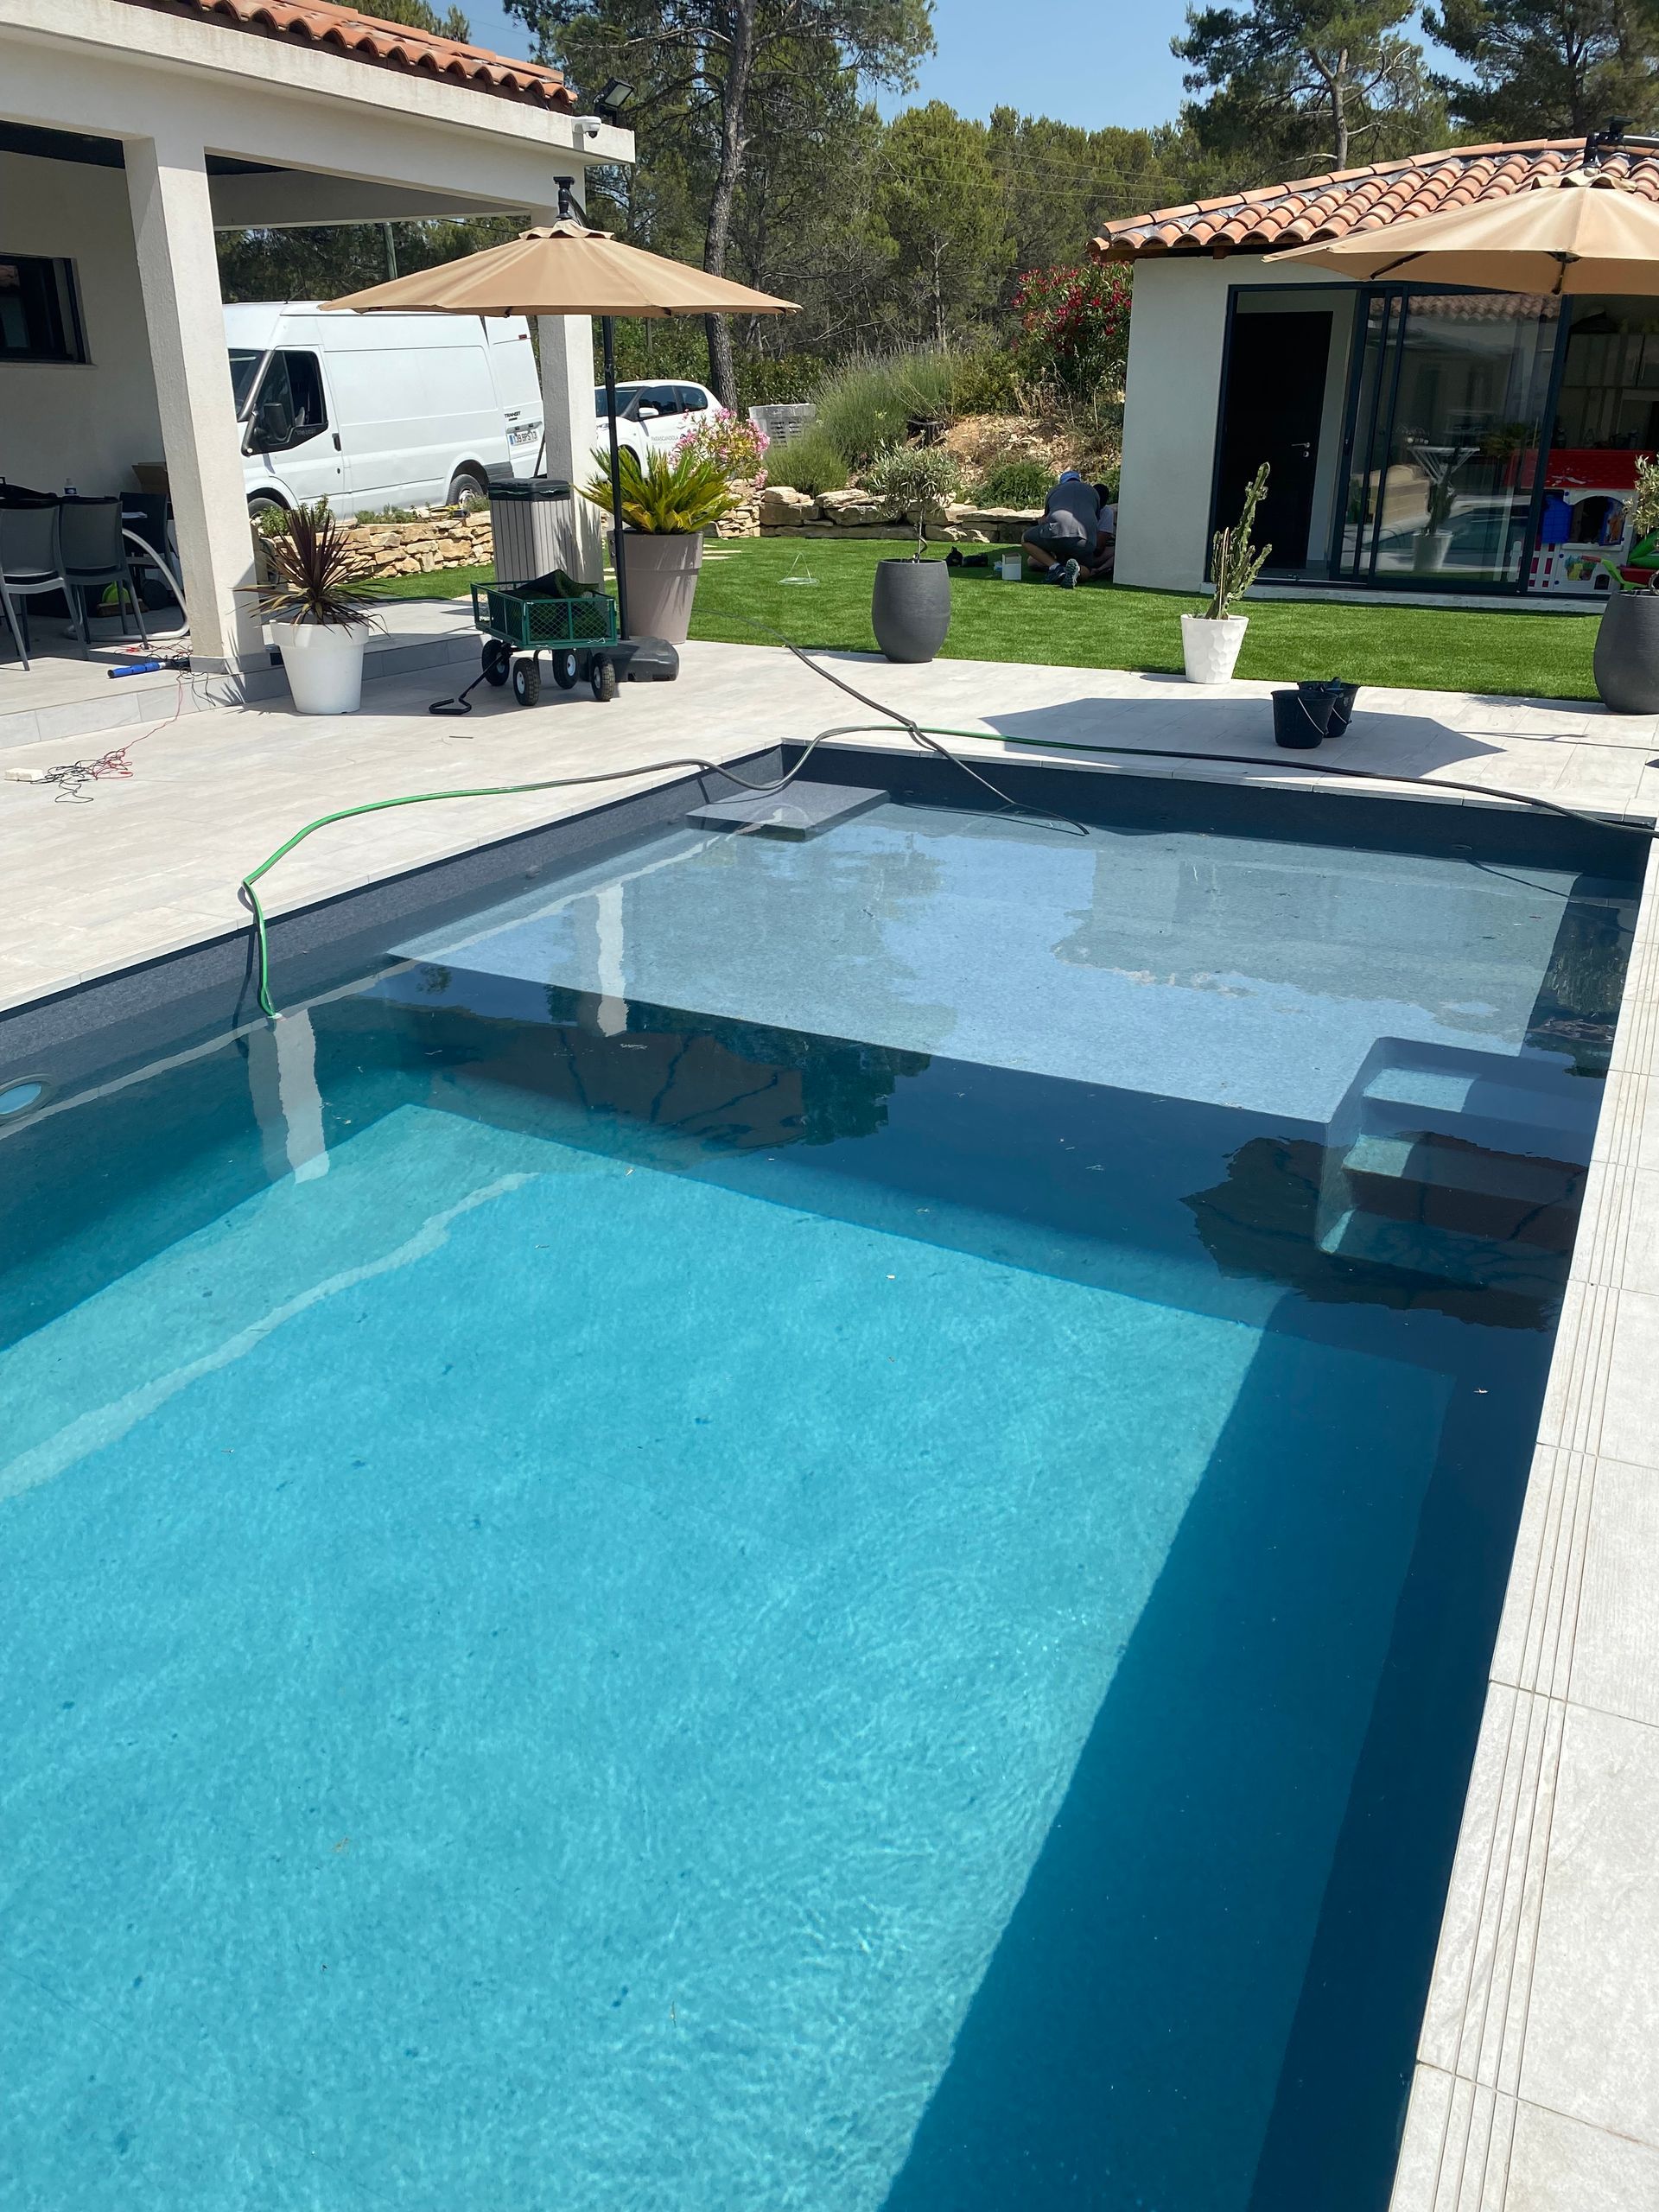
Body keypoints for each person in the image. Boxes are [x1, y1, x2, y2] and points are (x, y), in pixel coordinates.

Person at [1023, 471, 1114, 587]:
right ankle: (1077, 570)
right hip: (1085, 540)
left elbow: (1046, 519)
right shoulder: (1092, 492)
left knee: (1025, 539)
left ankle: (1056, 568)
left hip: (1058, 535)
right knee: (1086, 568)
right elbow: (1095, 519)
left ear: (1062, 483)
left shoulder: (1055, 490)